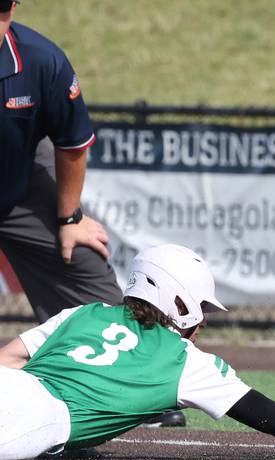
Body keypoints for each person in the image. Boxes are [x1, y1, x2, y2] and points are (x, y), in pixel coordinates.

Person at [0, 244, 275, 460]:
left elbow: (8, 359)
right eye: (199, 307)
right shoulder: (187, 362)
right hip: (39, 420)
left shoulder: (84, 313)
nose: (202, 321)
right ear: (177, 301)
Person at [0, 1, 180, 429]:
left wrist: (68, 220)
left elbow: (72, 143)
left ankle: (132, 388)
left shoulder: (41, 60)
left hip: (18, 188)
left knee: (87, 271)